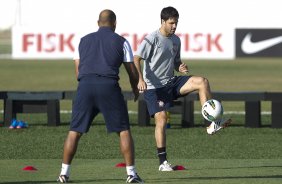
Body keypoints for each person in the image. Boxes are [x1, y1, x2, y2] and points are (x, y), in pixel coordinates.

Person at [133, 6, 231, 172]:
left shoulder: (176, 40)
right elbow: (136, 59)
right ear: (163, 21)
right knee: (162, 119)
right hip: (154, 88)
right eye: (171, 23)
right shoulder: (151, 39)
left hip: (171, 82)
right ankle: (163, 162)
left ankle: (211, 124)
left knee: (202, 82)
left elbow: (176, 61)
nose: (174, 26)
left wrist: (180, 67)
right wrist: (140, 80)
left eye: (176, 23)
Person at [57, 9, 144, 183]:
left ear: (98, 23)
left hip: (85, 87)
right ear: (115, 24)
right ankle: (131, 174)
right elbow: (132, 71)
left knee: (74, 131)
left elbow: (78, 72)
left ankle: (63, 174)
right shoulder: (122, 41)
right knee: (123, 130)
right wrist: (135, 88)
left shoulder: (82, 41)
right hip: (108, 86)